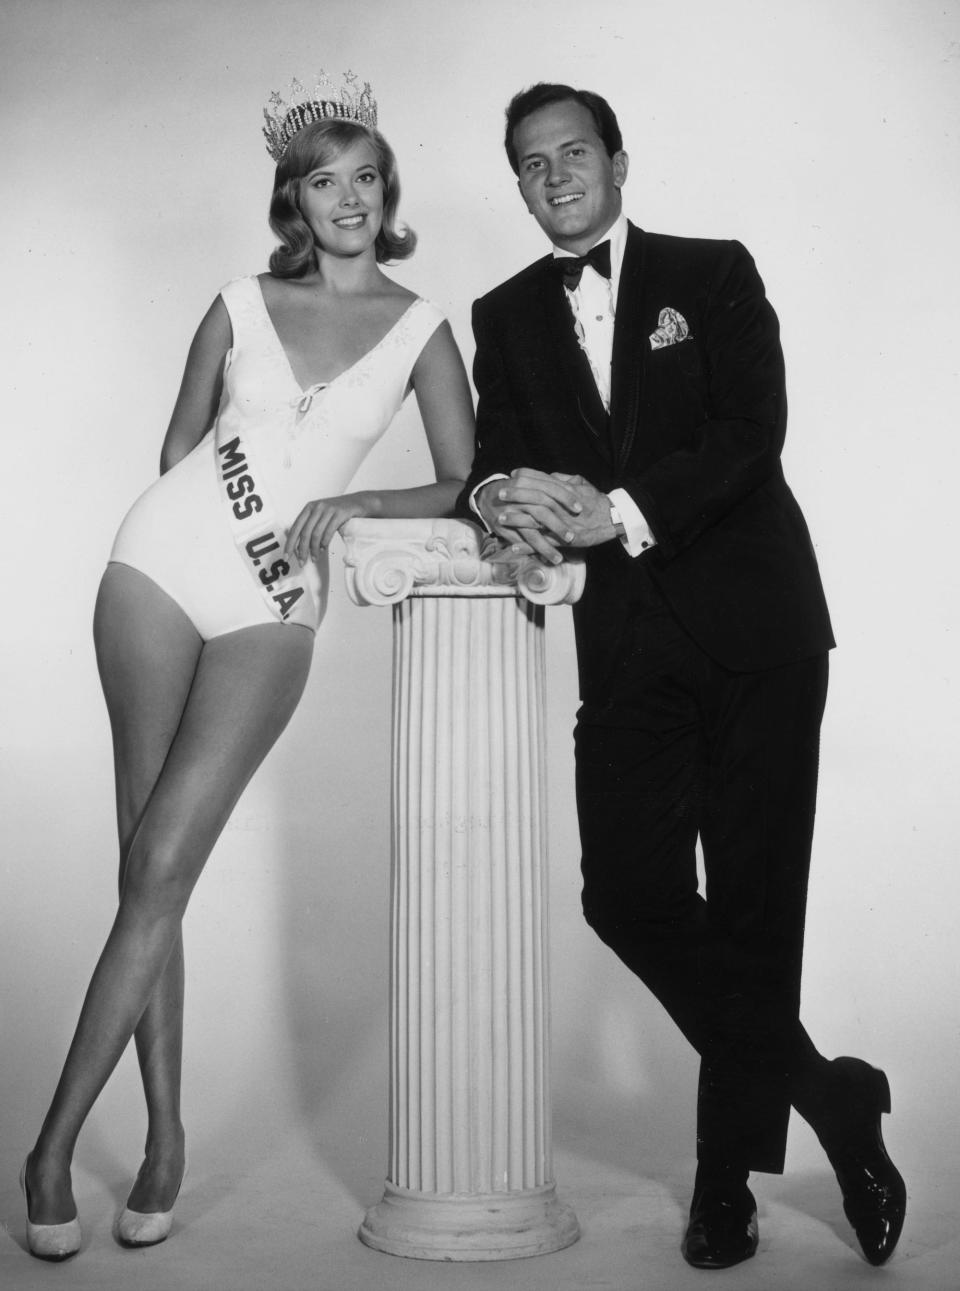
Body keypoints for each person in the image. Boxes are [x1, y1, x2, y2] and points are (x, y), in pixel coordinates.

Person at [19, 75, 475, 1261]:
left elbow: (464, 479)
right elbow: (179, 445)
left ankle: (51, 1143)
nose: (348, 200)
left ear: (389, 191)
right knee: (146, 866)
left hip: (278, 604)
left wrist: (353, 499)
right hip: (159, 568)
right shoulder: (237, 298)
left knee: (165, 858)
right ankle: (135, 1141)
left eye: (366, 176)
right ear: (293, 199)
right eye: (324, 181)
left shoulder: (426, 326)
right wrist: (199, 520)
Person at [461, 82, 906, 1271]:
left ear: (616, 159)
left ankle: (725, 1188)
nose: (553, 175)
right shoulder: (502, 312)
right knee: (630, 893)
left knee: (758, 912)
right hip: (626, 647)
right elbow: (491, 455)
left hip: (759, 629)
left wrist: (619, 511)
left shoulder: (711, 273)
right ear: (518, 183)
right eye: (529, 162)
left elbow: (755, 428)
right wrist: (502, 496)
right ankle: (834, 1099)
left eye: (572, 152)